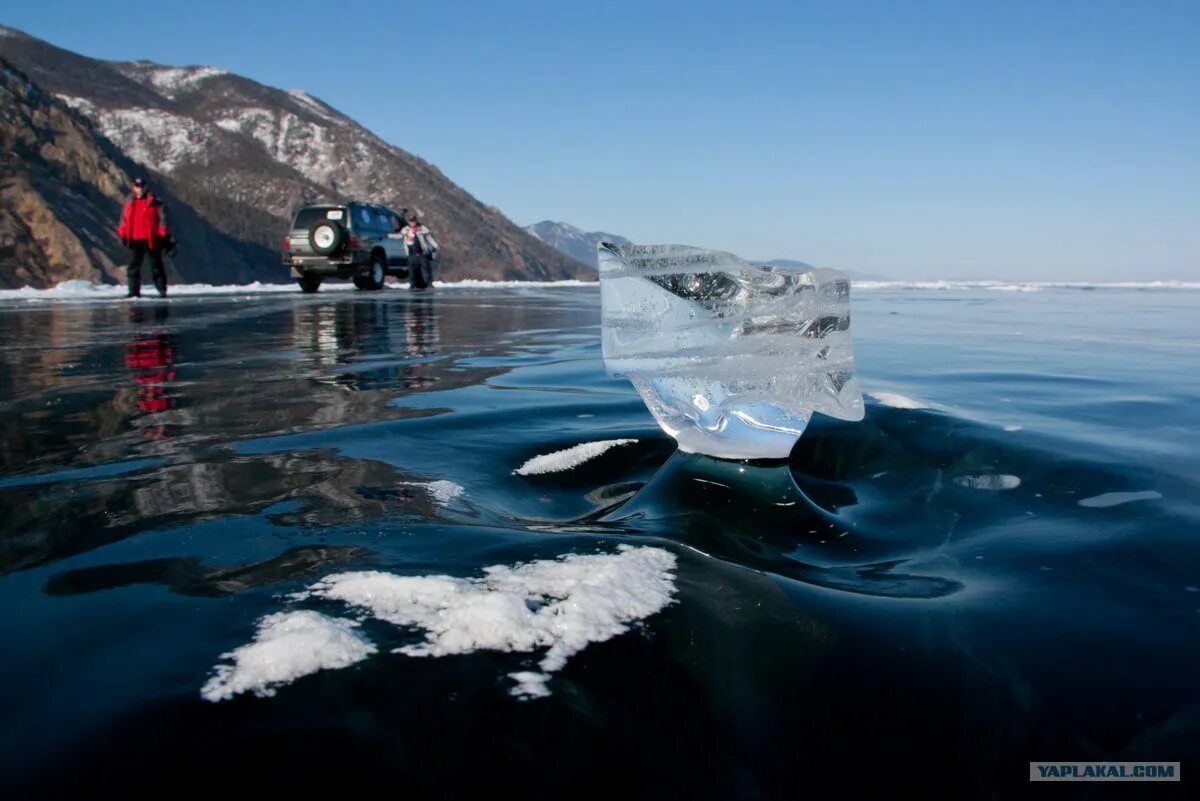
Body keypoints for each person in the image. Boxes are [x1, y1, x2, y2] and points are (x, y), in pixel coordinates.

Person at [117, 177, 172, 298]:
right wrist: (122, 233)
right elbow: (123, 219)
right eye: (137, 186)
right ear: (133, 187)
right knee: (133, 267)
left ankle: (162, 290)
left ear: (146, 187)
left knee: (156, 266)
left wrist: (162, 234)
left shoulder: (156, 202)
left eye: (142, 186)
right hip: (134, 239)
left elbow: (163, 220)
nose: (140, 189)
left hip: (151, 239)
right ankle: (133, 291)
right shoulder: (129, 202)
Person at [400, 211, 438, 289]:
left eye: (413, 221)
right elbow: (401, 236)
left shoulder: (422, 228)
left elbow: (429, 238)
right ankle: (412, 284)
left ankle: (429, 283)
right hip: (411, 253)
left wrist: (435, 245)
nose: (412, 223)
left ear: (416, 221)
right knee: (412, 271)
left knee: (426, 268)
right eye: (411, 221)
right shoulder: (406, 230)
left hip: (421, 253)